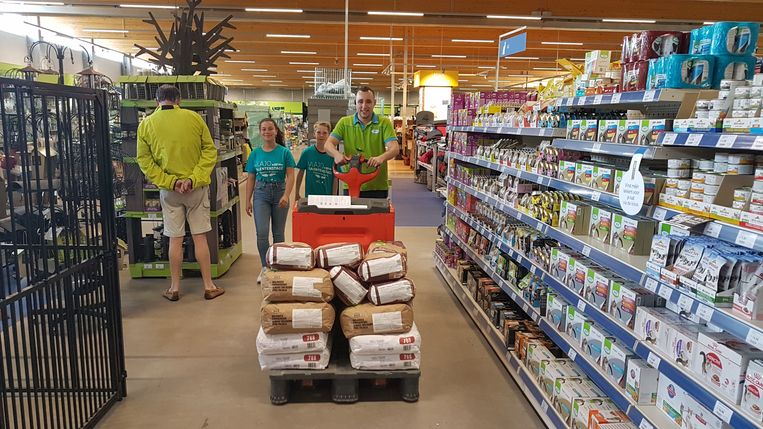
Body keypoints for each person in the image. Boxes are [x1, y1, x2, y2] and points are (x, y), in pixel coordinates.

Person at [136, 84, 225, 301]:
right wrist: (192, 178)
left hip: (169, 191)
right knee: (200, 237)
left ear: (157, 102)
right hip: (195, 188)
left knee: (174, 239)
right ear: (179, 100)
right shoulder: (194, 119)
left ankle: (174, 288)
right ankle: (209, 286)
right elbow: (209, 151)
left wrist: (171, 181)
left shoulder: (146, 125)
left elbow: (144, 160)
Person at [324, 86, 399, 198]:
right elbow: (328, 144)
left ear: (374, 103)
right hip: (350, 184)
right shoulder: (344, 123)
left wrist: (381, 158)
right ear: (355, 103)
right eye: (360, 101)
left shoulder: (384, 123)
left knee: (376, 216)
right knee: (350, 216)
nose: (364, 106)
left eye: (368, 101)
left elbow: (395, 148)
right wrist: (336, 154)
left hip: (377, 185)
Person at [245, 118, 296, 283]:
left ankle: (277, 266)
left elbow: (290, 175)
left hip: (280, 192)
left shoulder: (284, 152)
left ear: (276, 131)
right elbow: (251, 178)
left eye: (270, 129)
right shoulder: (255, 154)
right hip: (261, 194)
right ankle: (265, 267)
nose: (267, 132)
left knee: (278, 233)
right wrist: (248, 200)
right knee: (262, 233)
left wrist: (286, 195)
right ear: (260, 132)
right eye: (264, 129)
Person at [295, 121, 338, 200]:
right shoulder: (307, 152)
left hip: (327, 197)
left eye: (324, 133)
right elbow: (300, 173)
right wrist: (297, 193)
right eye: (318, 132)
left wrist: (334, 197)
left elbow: (335, 178)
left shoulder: (333, 154)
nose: (321, 135)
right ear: (314, 134)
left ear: (329, 135)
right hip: (310, 197)